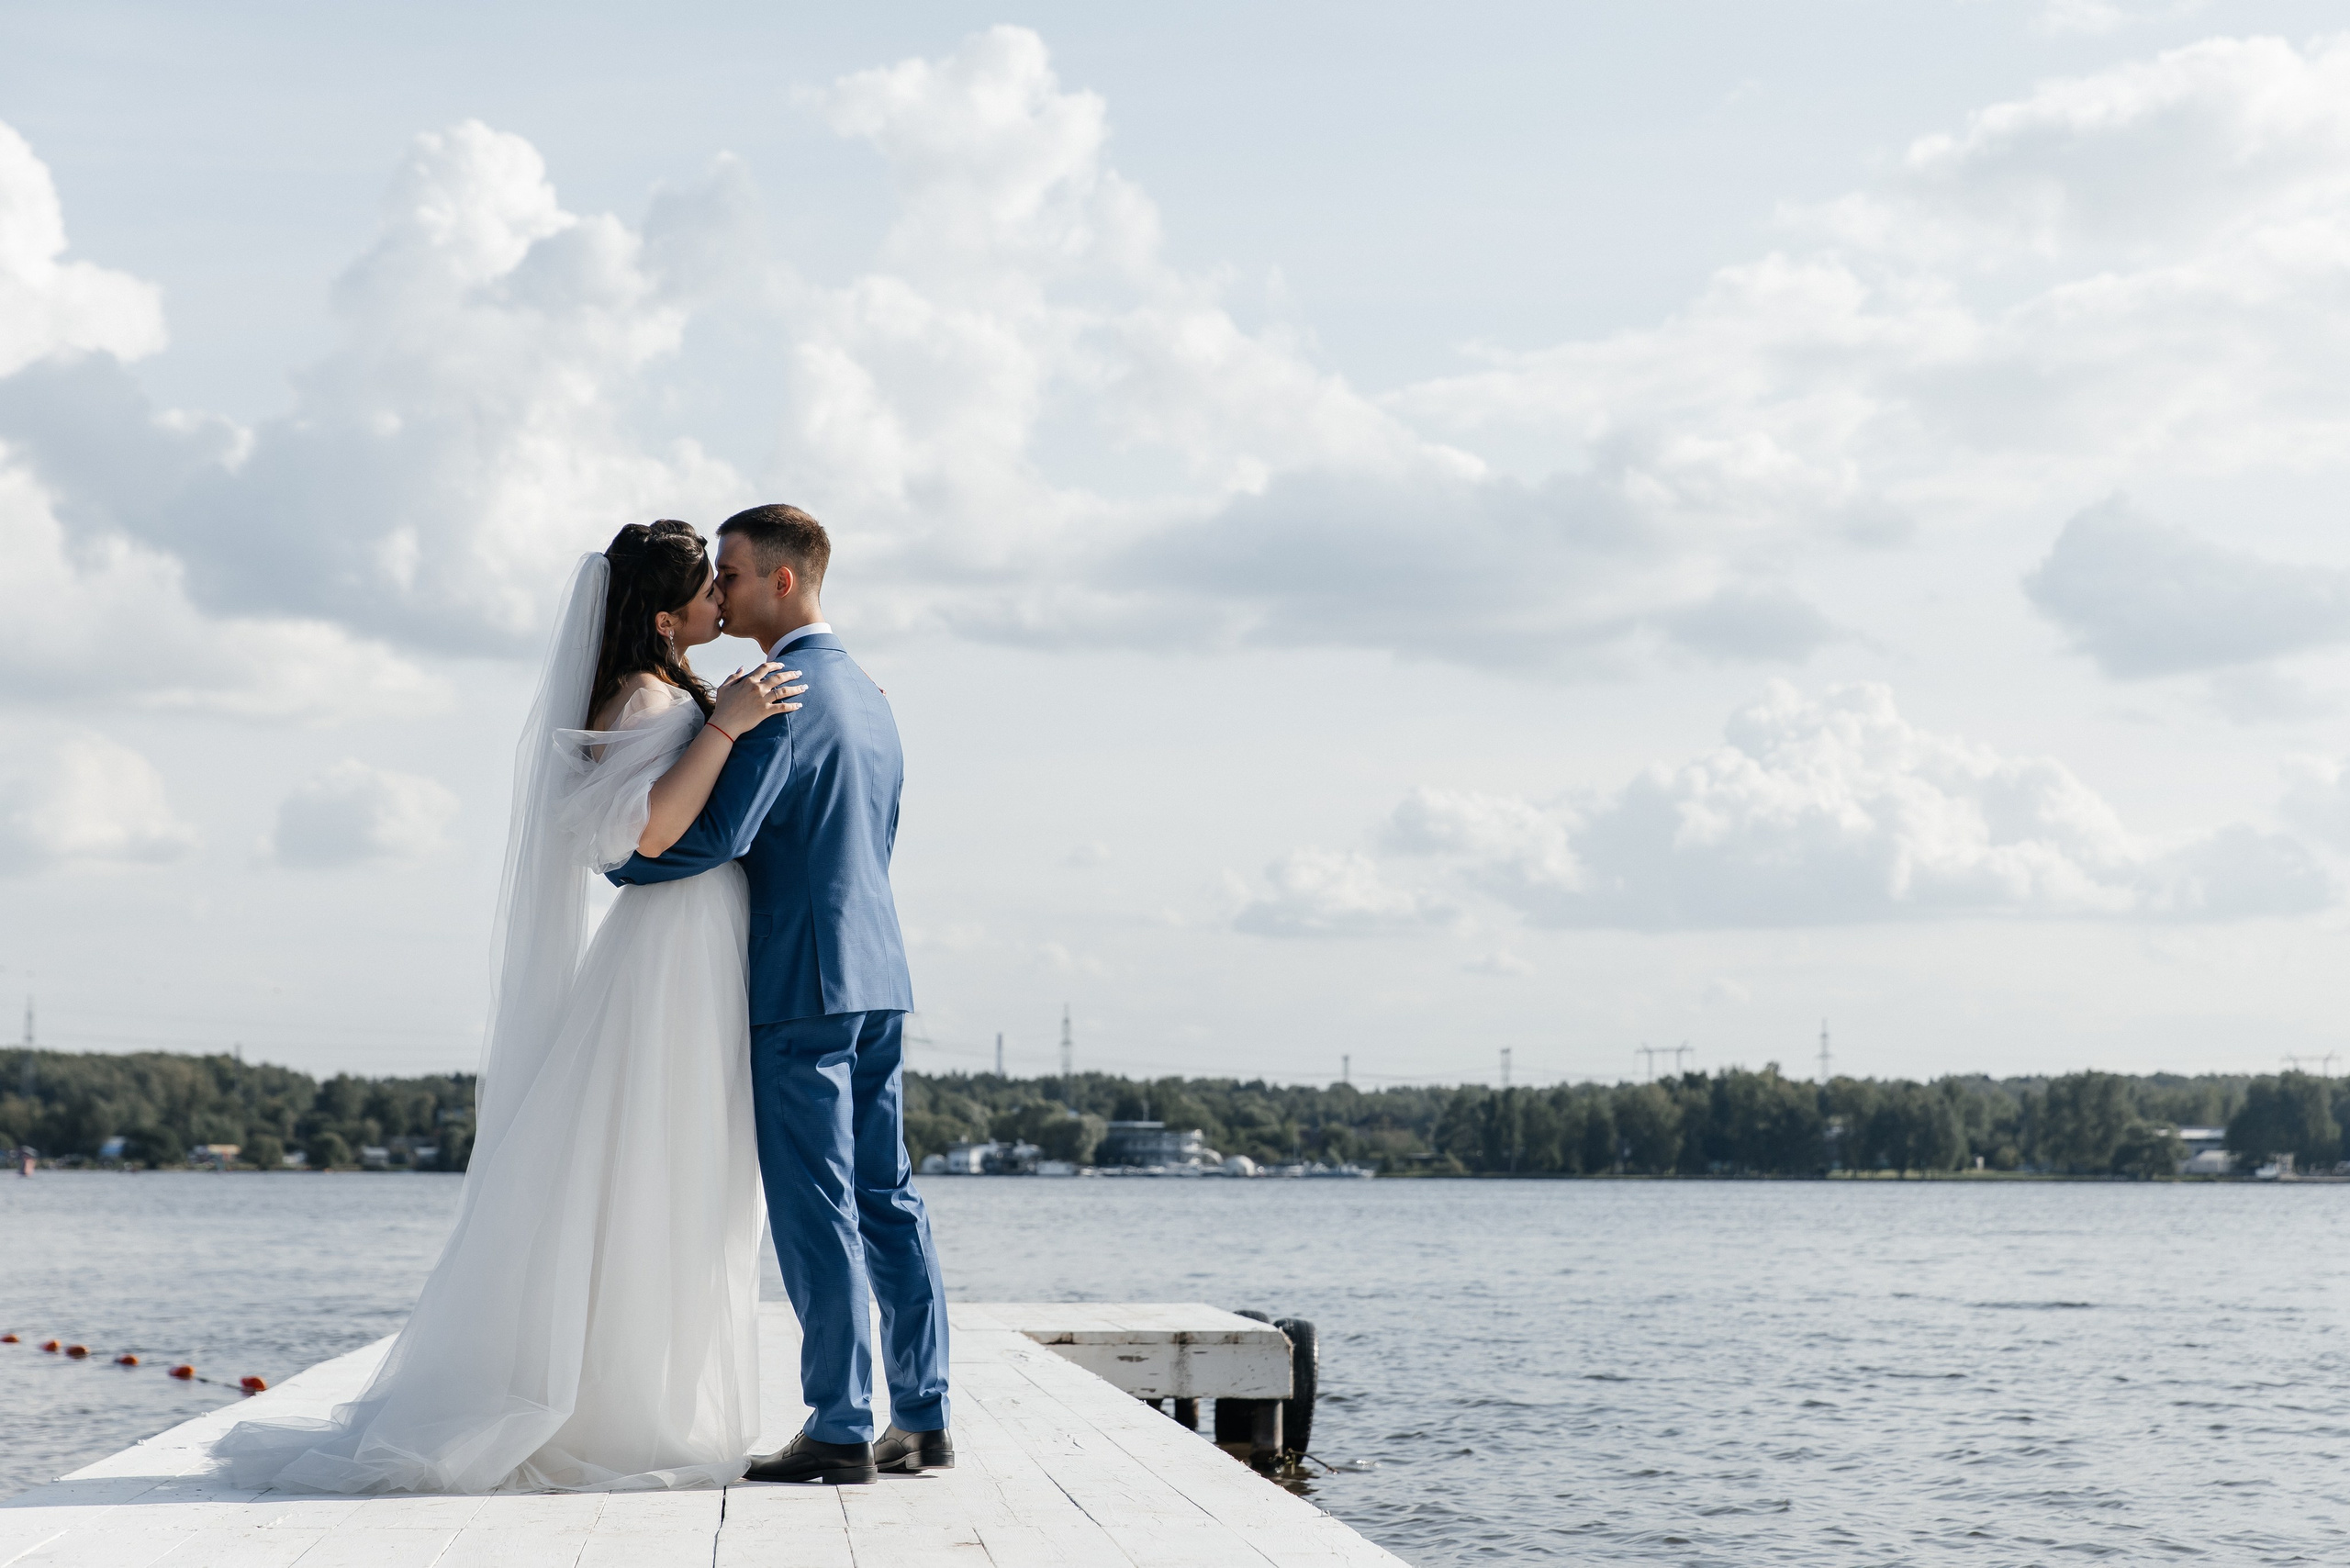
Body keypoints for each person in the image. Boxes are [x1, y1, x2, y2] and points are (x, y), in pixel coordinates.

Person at [210, 520, 803, 1493]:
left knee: (668, 1162)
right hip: (674, 946)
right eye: (708, 590)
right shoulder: (652, 698)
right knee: (662, 1160)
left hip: (688, 941)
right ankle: (627, 1404)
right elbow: (648, 833)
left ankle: (646, 1387)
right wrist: (731, 727)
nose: (721, 602)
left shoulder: (652, 689)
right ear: (665, 618)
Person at [610, 504, 951, 1486]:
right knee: (888, 1194)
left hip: (800, 978)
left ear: (784, 583)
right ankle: (923, 1414)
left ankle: (841, 1425)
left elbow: (712, 837)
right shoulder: (872, 696)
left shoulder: (784, 697)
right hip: (878, 971)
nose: (720, 590)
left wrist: (620, 868)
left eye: (732, 574)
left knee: (817, 1205)